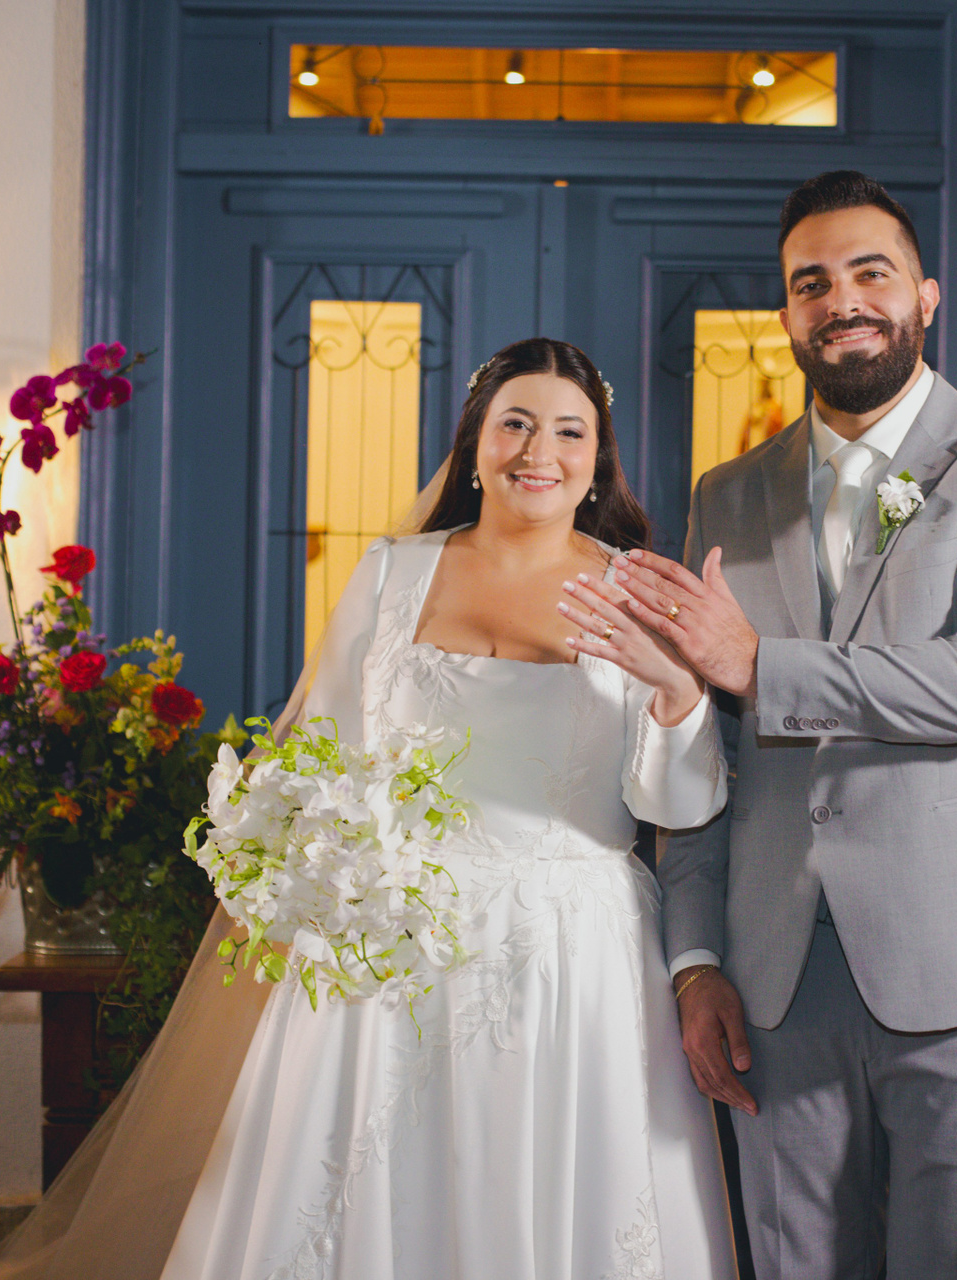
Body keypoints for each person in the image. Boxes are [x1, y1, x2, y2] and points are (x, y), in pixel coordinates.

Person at [609, 170, 957, 1280]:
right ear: (787, 314)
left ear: (925, 296)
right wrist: (695, 959)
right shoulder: (729, 492)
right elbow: (703, 742)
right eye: (811, 282)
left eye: (870, 272)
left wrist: (762, 665)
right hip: (777, 983)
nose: (842, 300)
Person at [158, 337, 737, 1279]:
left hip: (571, 953)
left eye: (568, 431)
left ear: (598, 459)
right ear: (475, 445)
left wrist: (676, 692)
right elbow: (325, 751)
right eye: (515, 424)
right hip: (394, 945)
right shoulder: (393, 572)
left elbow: (674, 802)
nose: (538, 451)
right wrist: (309, 875)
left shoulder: (636, 589)